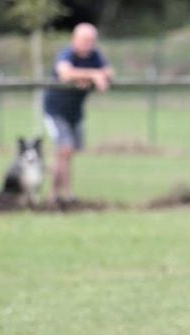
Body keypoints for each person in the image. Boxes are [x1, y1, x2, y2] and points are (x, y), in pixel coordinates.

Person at [43, 22, 114, 205]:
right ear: (75, 39)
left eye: (92, 40)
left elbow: (109, 72)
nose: (88, 44)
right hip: (56, 110)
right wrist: (93, 75)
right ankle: (63, 195)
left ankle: (59, 195)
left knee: (67, 153)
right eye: (85, 40)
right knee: (65, 149)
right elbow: (65, 73)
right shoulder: (68, 54)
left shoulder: (95, 56)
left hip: (75, 113)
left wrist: (92, 75)